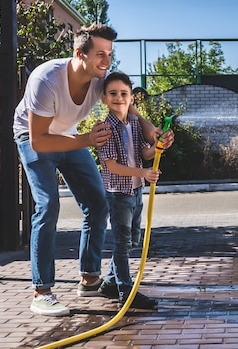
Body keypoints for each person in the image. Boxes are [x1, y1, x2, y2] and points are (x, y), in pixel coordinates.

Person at [13, 23, 173, 316]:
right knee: (48, 206)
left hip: (71, 138)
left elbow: (132, 111)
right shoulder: (45, 79)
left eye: (109, 54)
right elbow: (39, 140)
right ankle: (42, 291)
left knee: (98, 205)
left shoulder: (101, 81)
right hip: (34, 138)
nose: (107, 61)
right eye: (100, 54)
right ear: (79, 53)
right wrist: (86, 140)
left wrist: (153, 135)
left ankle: (89, 278)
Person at [96, 72, 160, 309]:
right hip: (118, 193)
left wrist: (158, 147)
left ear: (131, 98)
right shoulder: (105, 128)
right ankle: (126, 291)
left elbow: (144, 153)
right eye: (112, 93)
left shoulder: (133, 124)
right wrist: (143, 173)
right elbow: (112, 166)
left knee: (130, 240)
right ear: (104, 98)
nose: (118, 98)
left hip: (135, 191)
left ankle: (110, 283)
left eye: (124, 94)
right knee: (122, 243)